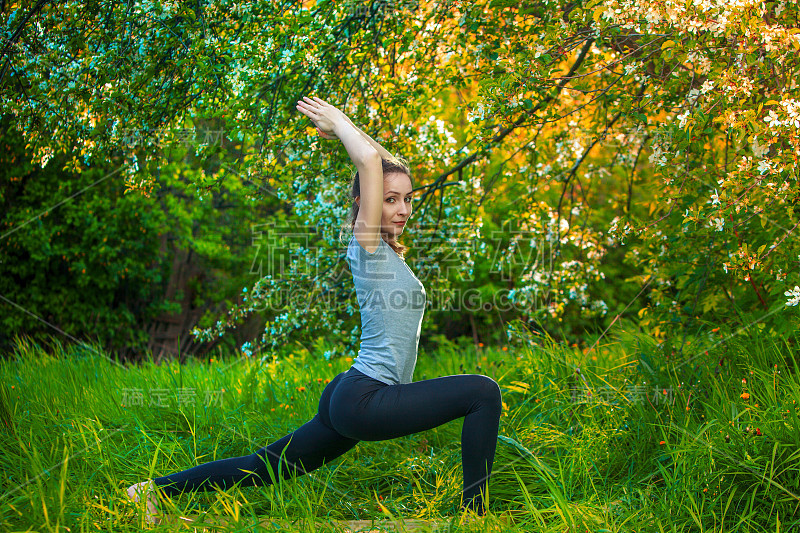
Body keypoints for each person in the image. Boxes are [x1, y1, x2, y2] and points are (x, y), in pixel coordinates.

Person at [127, 96, 503, 525]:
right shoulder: (367, 245)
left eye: (408, 199)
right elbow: (366, 161)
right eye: (391, 199)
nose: (402, 209)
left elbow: (381, 160)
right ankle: (476, 520)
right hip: (367, 397)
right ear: (364, 202)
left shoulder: (389, 253)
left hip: (353, 393)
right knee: (483, 393)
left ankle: (151, 491)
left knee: (264, 466)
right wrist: (340, 123)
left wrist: (356, 134)